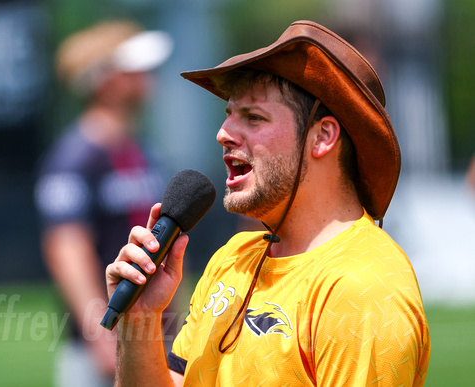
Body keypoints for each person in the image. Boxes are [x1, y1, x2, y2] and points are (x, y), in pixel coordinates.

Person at [105, 20, 431, 386]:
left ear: (322, 136)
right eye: (229, 115)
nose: (223, 134)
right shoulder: (232, 258)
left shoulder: (364, 288)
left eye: (253, 117)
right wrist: (141, 321)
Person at [34, 20, 173, 386]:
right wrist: (99, 331)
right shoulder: (74, 157)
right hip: (103, 346)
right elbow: (66, 248)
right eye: (135, 69)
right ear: (105, 80)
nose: (148, 75)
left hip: (157, 339)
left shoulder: (142, 151)